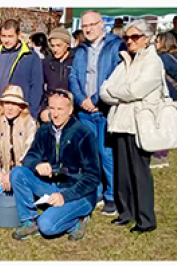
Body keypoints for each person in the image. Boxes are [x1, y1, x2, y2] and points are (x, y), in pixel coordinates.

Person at [99, 20, 166, 234]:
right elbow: (104, 90)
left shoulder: (153, 63)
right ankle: (125, 212)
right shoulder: (125, 61)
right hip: (120, 123)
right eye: (127, 37)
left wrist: (118, 92)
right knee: (122, 172)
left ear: (147, 39)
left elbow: (136, 90)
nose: (130, 41)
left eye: (135, 37)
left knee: (140, 173)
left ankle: (145, 219)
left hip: (140, 125)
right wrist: (121, 92)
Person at [10, 88, 99, 241]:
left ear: (70, 110)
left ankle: (79, 219)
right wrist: (37, 164)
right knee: (17, 173)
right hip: (52, 186)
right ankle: (28, 220)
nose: (55, 114)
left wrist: (65, 196)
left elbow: (93, 177)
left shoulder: (84, 134)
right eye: (52, 108)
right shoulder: (44, 131)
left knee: (47, 226)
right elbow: (30, 157)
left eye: (60, 109)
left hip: (78, 193)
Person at [70, 10, 126, 216]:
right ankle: (96, 191)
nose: (88, 29)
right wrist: (80, 99)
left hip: (105, 110)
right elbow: (74, 75)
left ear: (102, 24)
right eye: (85, 26)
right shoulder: (81, 49)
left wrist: (94, 100)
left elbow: (114, 77)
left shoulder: (115, 46)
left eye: (92, 24)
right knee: (89, 154)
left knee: (106, 153)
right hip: (84, 110)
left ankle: (112, 196)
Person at [0, 19, 43, 139]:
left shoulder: (30, 56)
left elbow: (36, 86)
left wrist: (32, 114)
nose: (6, 40)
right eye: (4, 36)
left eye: (10, 36)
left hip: (18, 111)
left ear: (19, 35)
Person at [0, 84, 37, 194]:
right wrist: (0, 174)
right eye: (7, 103)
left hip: (24, 172)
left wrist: (12, 175)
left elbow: (29, 154)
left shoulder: (30, 123)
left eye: (14, 104)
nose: (10, 107)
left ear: (21, 107)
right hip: (3, 174)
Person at [40, 27, 73, 123]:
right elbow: (40, 87)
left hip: (70, 110)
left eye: (58, 45)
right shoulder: (47, 63)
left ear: (67, 44)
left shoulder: (75, 62)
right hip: (51, 109)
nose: (55, 49)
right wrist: (43, 109)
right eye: (53, 46)